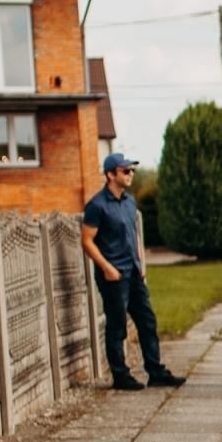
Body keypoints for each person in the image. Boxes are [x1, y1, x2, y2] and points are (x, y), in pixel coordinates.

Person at [80, 152, 186, 391]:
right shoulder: (96, 206)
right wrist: (106, 267)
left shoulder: (129, 202)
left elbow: (134, 234)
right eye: (125, 171)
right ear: (110, 174)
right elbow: (87, 241)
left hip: (134, 273)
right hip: (114, 276)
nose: (130, 175)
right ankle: (120, 376)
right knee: (117, 326)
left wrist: (141, 264)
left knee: (147, 321)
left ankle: (155, 371)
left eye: (132, 171)